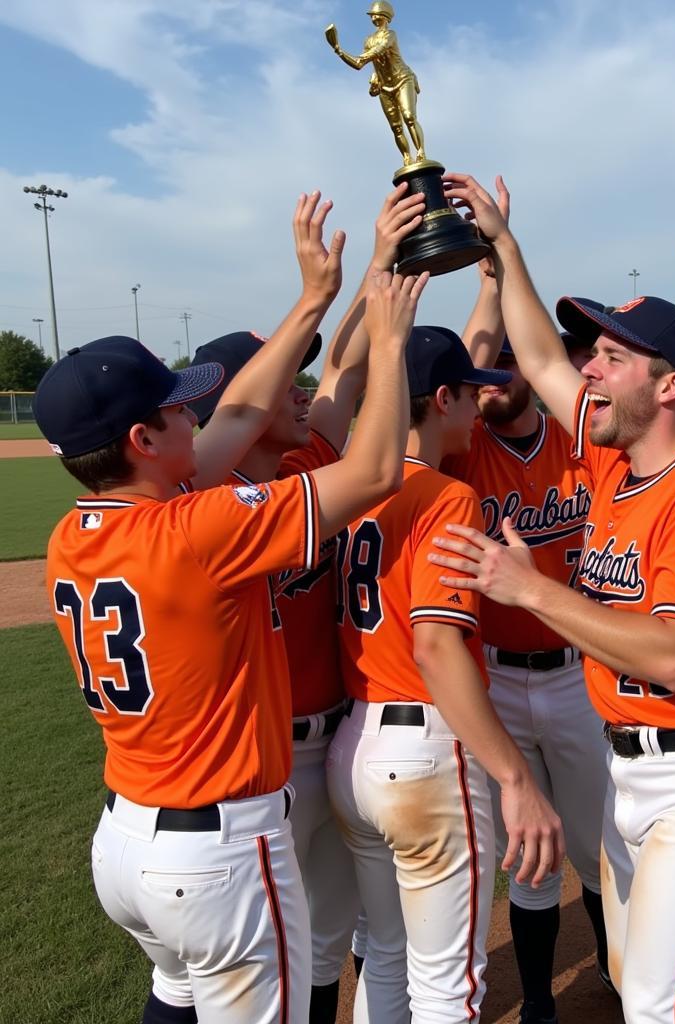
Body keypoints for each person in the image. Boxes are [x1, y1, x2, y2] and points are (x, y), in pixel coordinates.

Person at [36, 189, 426, 1024]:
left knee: (174, 998)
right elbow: (375, 473)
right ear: (143, 440)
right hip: (219, 851)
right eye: (177, 407)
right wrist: (390, 345)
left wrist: (316, 297)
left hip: (125, 843)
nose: (197, 412)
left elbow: (242, 413)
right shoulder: (197, 527)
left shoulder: (74, 533)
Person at [431, 174, 675, 1024]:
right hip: (639, 770)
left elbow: (672, 653)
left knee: (660, 1005)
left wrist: (530, 590)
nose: (588, 367)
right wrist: (503, 246)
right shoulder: (614, 463)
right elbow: (541, 358)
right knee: (653, 995)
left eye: (613, 357)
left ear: (666, 390)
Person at [181, 184, 428, 1023]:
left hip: (337, 748)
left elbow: (350, 366)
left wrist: (381, 263)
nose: (303, 390)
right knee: (260, 968)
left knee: (327, 943)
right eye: (286, 375)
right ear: (234, 401)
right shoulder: (191, 514)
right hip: (258, 773)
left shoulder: (304, 467)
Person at [325, 323, 565, 1024]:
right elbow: (435, 646)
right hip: (423, 754)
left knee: (386, 957)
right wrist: (516, 777)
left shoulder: (343, 484)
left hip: (353, 745)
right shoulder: (446, 496)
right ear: (440, 398)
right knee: (448, 989)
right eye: (470, 393)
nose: (478, 408)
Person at [442, 238, 611, 1023]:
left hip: (578, 675)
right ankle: (541, 1002)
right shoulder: (460, 454)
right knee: (528, 861)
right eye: (484, 369)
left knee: (597, 847)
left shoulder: (581, 447)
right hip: (494, 680)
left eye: (509, 365)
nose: (492, 381)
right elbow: (462, 366)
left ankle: (619, 972)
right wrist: (485, 291)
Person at [327, 1, 425, 166]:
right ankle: (407, 157)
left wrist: (361, 57)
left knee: (409, 117)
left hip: (402, 78)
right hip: (385, 86)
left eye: (375, 14)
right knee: (396, 127)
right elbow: (358, 65)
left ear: (385, 16)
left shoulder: (390, 35)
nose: (373, 17)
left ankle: (421, 151)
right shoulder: (368, 40)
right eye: (371, 15)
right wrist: (339, 51)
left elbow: (380, 49)